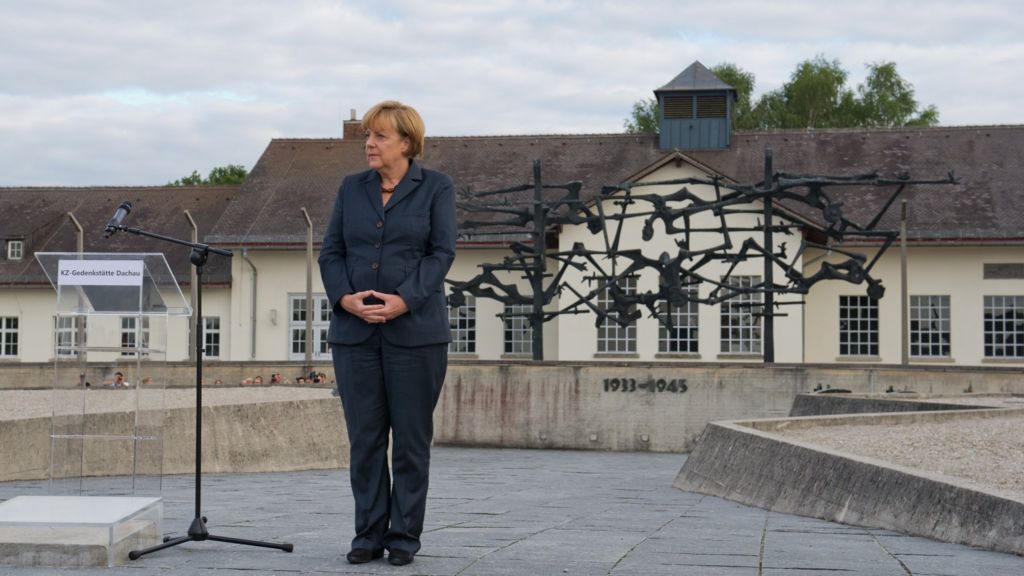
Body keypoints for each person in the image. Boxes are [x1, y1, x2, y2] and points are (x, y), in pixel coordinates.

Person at [318, 100, 456, 567]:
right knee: (366, 440)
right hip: (355, 335)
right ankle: (368, 534)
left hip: (416, 335)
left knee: (412, 442)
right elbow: (331, 253)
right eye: (367, 136)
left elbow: (441, 254)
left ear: (405, 141)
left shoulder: (436, 187)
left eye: (378, 136)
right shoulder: (350, 188)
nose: (369, 144)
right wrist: (344, 298)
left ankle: (403, 538)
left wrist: (404, 299)